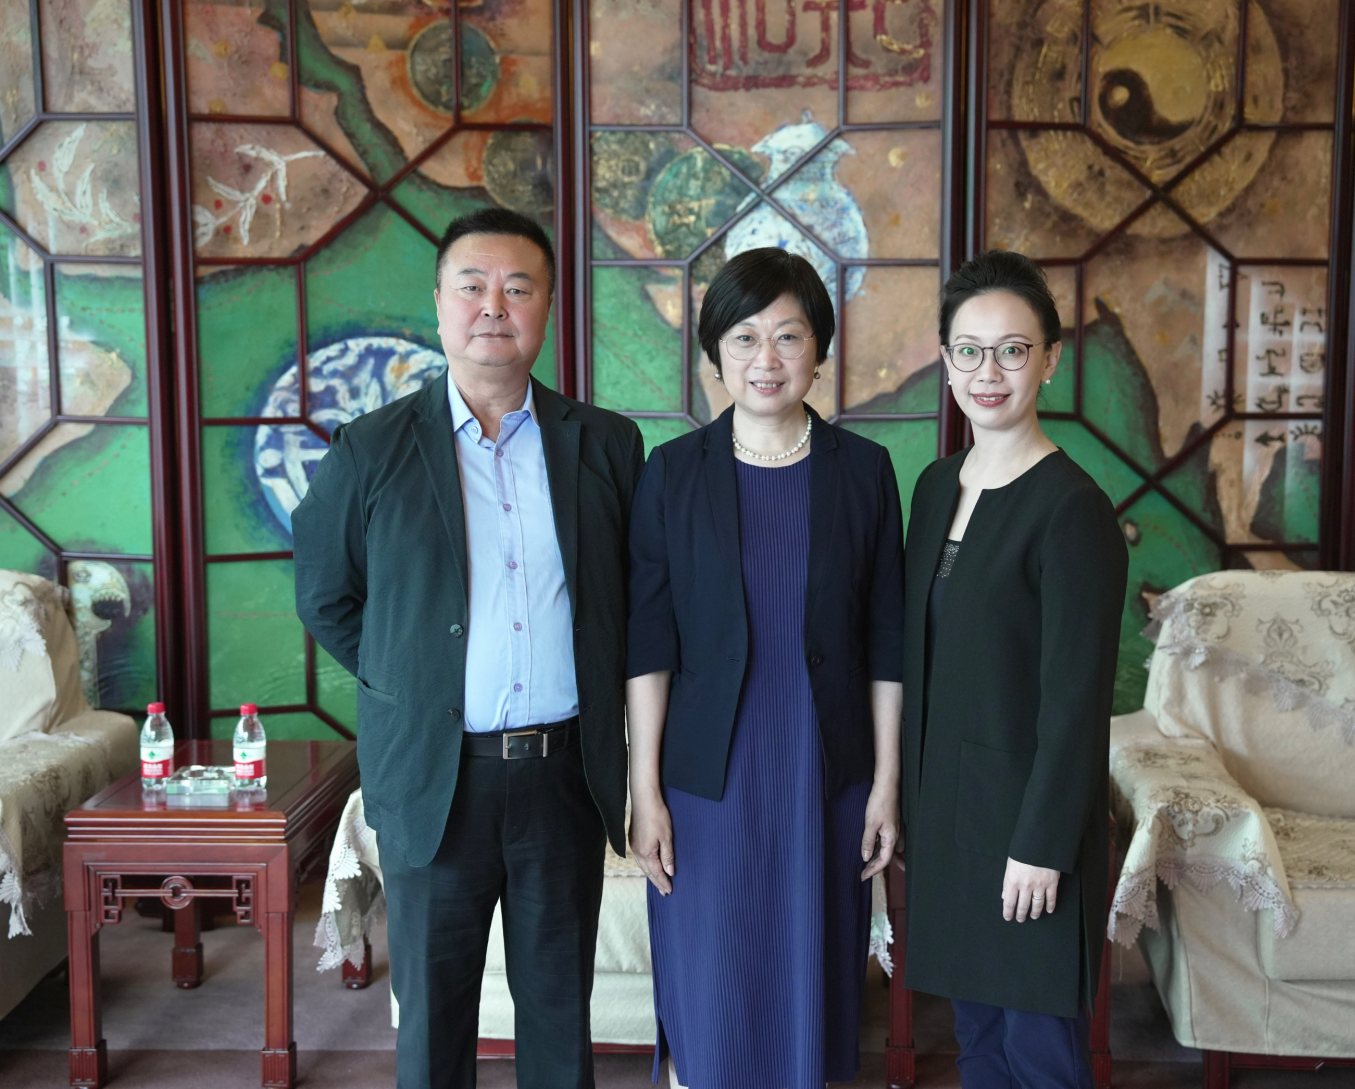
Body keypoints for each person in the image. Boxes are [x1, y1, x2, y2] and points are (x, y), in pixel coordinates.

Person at [293, 207, 643, 1089]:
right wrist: (415, 682)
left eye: (518, 287)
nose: (495, 305)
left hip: (563, 778)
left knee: (559, 1016)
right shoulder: (372, 448)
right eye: (473, 286)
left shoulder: (605, 444)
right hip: (435, 779)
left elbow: (632, 599)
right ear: (441, 302)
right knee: (434, 1022)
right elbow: (326, 596)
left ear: (548, 305)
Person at [626, 247, 904, 1089]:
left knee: (811, 974)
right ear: (715, 353)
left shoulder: (865, 471)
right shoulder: (673, 473)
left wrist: (886, 783)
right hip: (708, 779)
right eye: (744, 337)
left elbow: (887, 640)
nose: (767, 358)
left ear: (819, 348)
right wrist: (645, 789)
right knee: (712, 978)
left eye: (789, 335)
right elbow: (650, 642)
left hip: (825, 770)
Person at [901, 251, 1127, 1089]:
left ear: (1050, 358)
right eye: (969, 350)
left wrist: (1041, 846)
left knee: (1041, 1059)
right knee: (980, 1051)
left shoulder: (1073, 508)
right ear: (946, 359)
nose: (987, 372)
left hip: (1029, 839)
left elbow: (1076, 703)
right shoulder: (934, 488)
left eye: (1012, 350)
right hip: (950, 827)